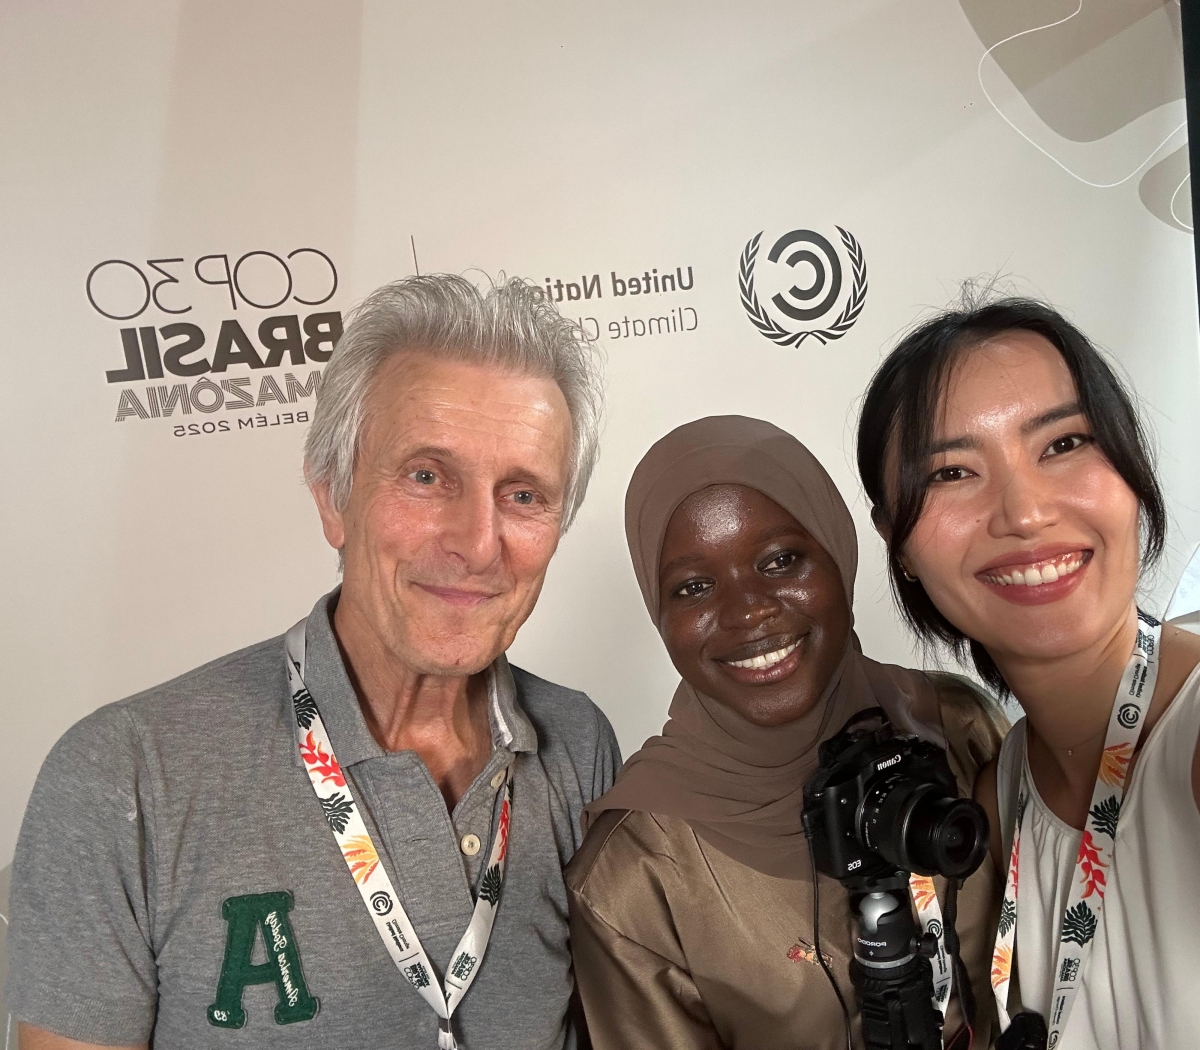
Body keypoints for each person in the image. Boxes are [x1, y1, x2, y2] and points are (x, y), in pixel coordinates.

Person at [8, 275, 621, 1050]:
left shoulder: (578, 744)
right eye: (427, 476)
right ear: (333, 496)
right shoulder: (123, 774)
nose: (476, 543)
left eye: (524, 495)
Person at [566, 415, 1007, 1050]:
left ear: (838, 554)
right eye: (694, 587)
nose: (748, 610)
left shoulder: (957, 726)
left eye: (780, 561)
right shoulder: (636, 876)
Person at [856, 294, 1200, 1050]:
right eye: (952, 472)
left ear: (1131, 468)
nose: (1024, 512)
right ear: (897, 544)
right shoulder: (1003, 787)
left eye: (1063, 443)